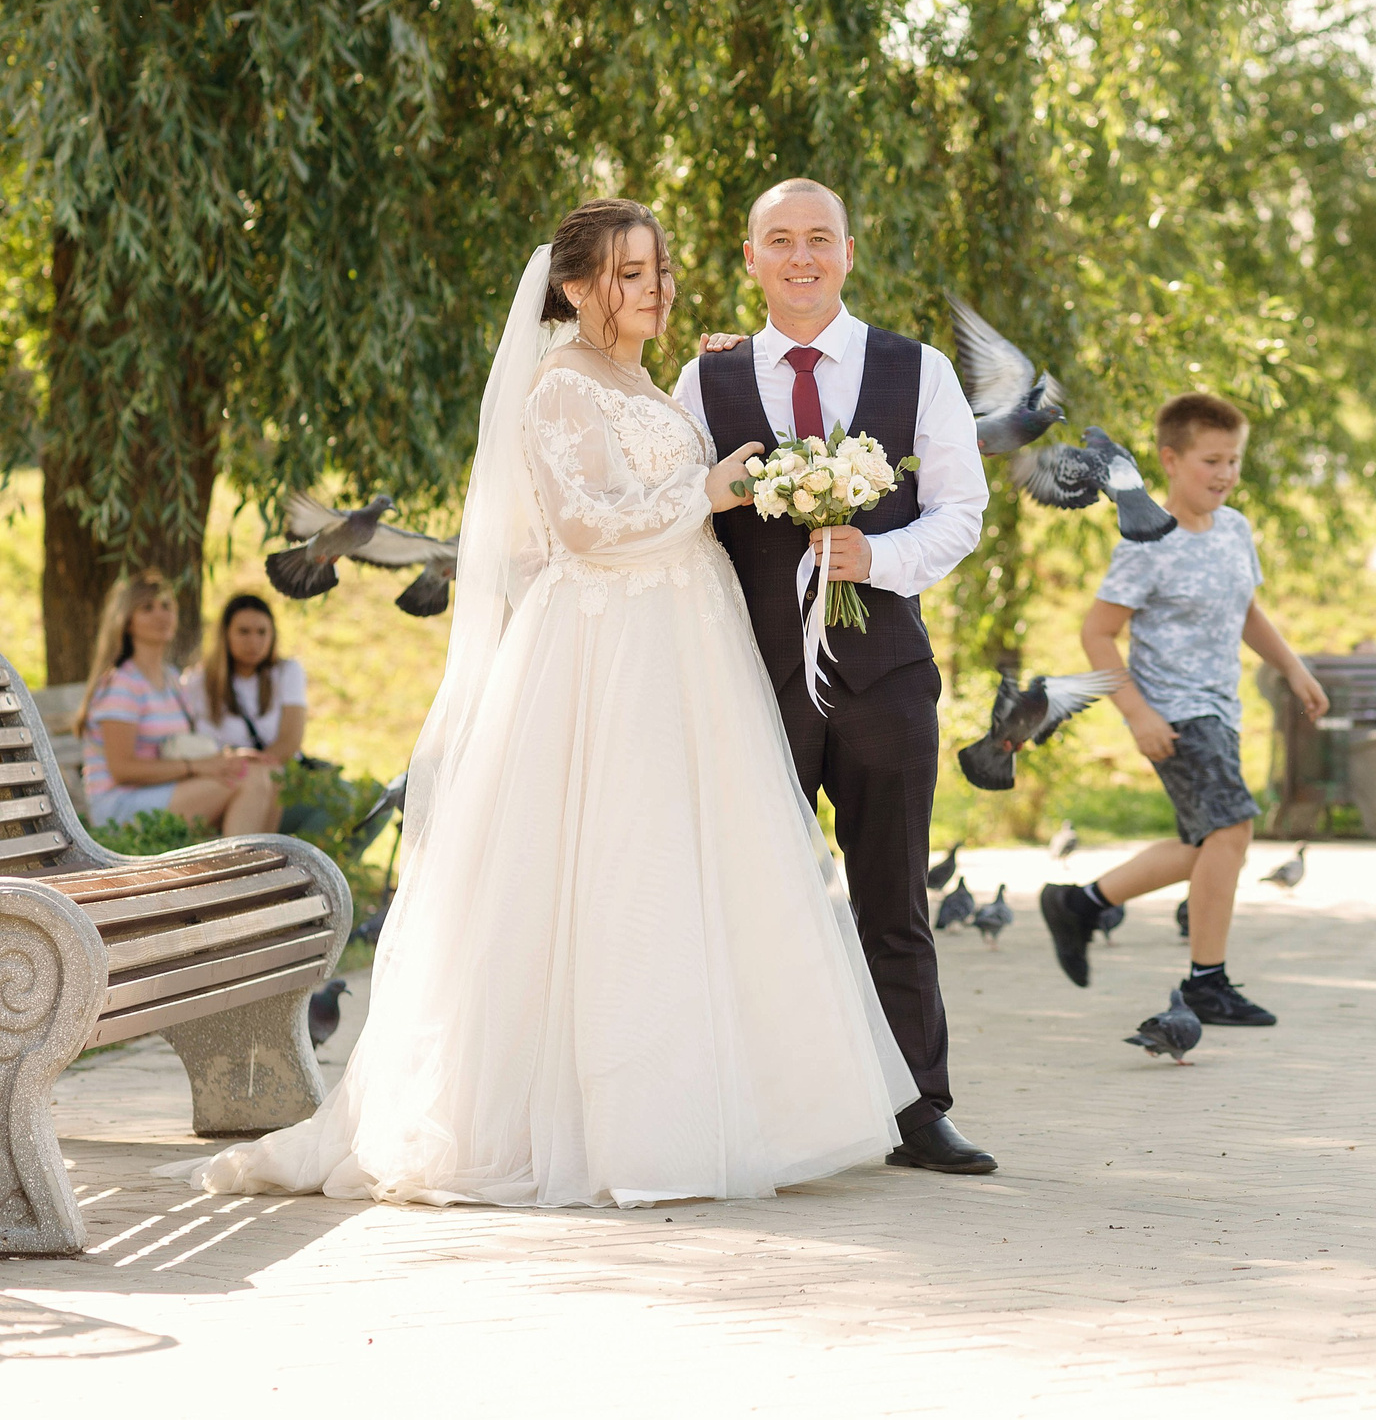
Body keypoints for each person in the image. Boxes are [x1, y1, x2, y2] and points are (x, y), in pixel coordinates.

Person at [167, 198, 918, 1207]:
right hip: (607, 653)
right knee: (609, 868)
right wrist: (711, 492)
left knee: (690, 867)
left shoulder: (638, 376)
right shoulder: (558, 386)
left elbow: (653, 463)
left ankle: (720, 1106)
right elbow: (584, 526)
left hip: (684, 643)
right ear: (574, 287)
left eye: (657, 269)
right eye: (628, 274)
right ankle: (608, 1127)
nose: (653, 288)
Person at [672, 178, 997, 1177]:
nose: (801, 257)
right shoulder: (705, 379)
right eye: (781, 241)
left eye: (819, 239)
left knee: (893, 896)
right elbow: (673, 507)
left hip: (886, 674)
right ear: (750, 257)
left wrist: (880, 559)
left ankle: (917, 1112)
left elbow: (962, 509)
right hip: (750, 677)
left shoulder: (919, 370)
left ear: (848, 253)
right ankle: (754, 1108)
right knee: (748, 899)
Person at [1039, 393, 1330, 1025]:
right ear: (1170, 461)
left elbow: (1245, 610)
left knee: (1210, 842)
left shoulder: (1235, 529)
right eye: (1211, 460)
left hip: (1220, 709)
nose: (1225, 473)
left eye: (1233, 460)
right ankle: (1205, 981)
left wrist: (1293, 668)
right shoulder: (1146, 542)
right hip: (1173, 711)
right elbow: (1097, 633)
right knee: (1232, 830)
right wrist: (1137, 713)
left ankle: (1083, 904)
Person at [79, 572, 280, 834]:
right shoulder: (121, 683)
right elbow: (123, 770)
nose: (161, 615)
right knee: (247, 780)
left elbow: (181, 747)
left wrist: (227, 758)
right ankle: (241, 871)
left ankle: (263, 867)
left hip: (163, 791)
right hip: (119, 806)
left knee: (269, 775)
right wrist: (197, 767)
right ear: (127, 621)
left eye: (166, 606)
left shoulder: (172, 679)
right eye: (147, 608)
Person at [182, 592, 308, 768]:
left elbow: (290, 741)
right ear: (225, 634)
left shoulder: (287, 672)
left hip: (271, 775)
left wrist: (249, 772)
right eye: (244, 632)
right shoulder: (196, 682)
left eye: (262, 632)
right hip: (219, 778)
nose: (254, 642)